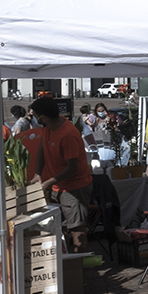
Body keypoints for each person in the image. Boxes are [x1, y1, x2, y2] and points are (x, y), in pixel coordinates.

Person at [29, 96, 94, 254]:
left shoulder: (67, 135)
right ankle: (64, 263)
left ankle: (79, 269)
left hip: (74, 188)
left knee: (76, 228)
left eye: (34, 116)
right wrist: (38, 174)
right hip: (56, 187)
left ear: (43, 117)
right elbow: (42, 149)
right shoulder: (48, 127)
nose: (33, 119)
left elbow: (73, 168)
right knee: (59, 226)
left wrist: (47, 183)